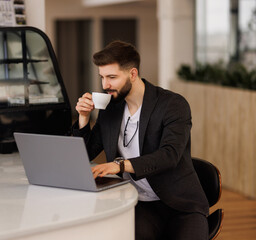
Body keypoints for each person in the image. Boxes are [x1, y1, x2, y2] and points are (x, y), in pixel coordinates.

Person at [72, 41, 209, 240]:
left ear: (133, 74)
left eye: (112, 77)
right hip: (140, 204)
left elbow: (169, 155)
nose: (105, 85)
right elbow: (84, 155)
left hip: (181, 206)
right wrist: (83, 117)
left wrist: (119, 166)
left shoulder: (173, 105)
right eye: (102, 77)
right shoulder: (111, 109)